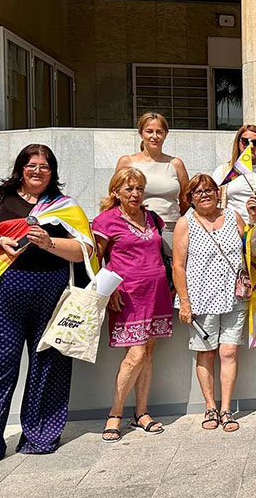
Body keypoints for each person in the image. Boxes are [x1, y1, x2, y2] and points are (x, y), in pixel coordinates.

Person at [0, 144, 95, 470]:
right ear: (20, 167)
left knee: (50, 366)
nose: (37, 171)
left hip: (52, 295)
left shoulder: (65, 206)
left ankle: (40, 438)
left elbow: (85, 250)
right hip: (3, 294)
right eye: (31, 165)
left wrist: (50, 243)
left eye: (45, 166)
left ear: (52, 171)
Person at [94, 167, 174, 442]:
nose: (135, 193)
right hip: (128, 296)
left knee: (149, 353)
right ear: (115, 192)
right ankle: (115, 413)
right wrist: (109, 288)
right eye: (129, 188)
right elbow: (96, 259)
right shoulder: (106, 221)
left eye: (139, 188)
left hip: (157, 293)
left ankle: (141, 412)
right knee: (136, 355)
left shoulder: (152, 217)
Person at [172, 174, 247, 431]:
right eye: (198, 192)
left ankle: (226, 408)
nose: (204, 195)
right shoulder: (186, 223)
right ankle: (210, 407)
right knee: (206, 354)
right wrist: (184, 302)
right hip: (201, 298)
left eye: (209, 190)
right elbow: (178, 266)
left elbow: (250, 249)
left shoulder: (233, 217)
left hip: (234, 297)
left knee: (229, 351)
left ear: (218, 193)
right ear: (190, 198)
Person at [115, 112, 190, 228]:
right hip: (136, 226)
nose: (155, 136)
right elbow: (116, 196)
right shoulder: (127, 162)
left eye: (159, 132)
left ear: (165, 134)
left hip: (171, 227)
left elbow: (186, 199)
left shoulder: (176, 164)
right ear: (141, 133)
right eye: (149, 131)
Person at [213, 124, 256, 224]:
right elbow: (214, 202)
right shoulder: (223, 170)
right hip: (231, 228)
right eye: (246, 142)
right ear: (238, 143)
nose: (251, 146)